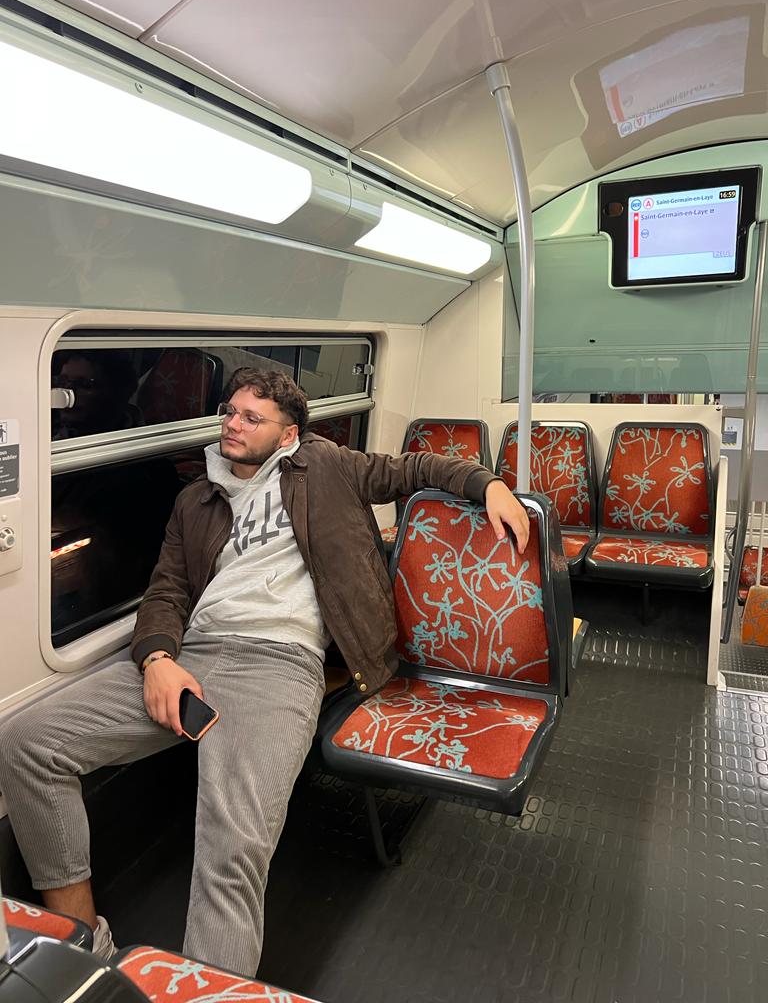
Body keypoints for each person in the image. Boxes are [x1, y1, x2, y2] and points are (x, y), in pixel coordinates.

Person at [0, 368, 529, 976]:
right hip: (194, 653)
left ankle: (209, 990)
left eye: (252, 418)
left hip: (280, 663)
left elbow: (416, 468)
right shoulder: (195, 500)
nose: (233, 424)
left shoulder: (327, 466)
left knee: (230, 852)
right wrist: (157, 660)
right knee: (26, 743)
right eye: (229, 411)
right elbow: (167, 591)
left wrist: (491, 485)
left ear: (288, 435)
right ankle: (81, 944)